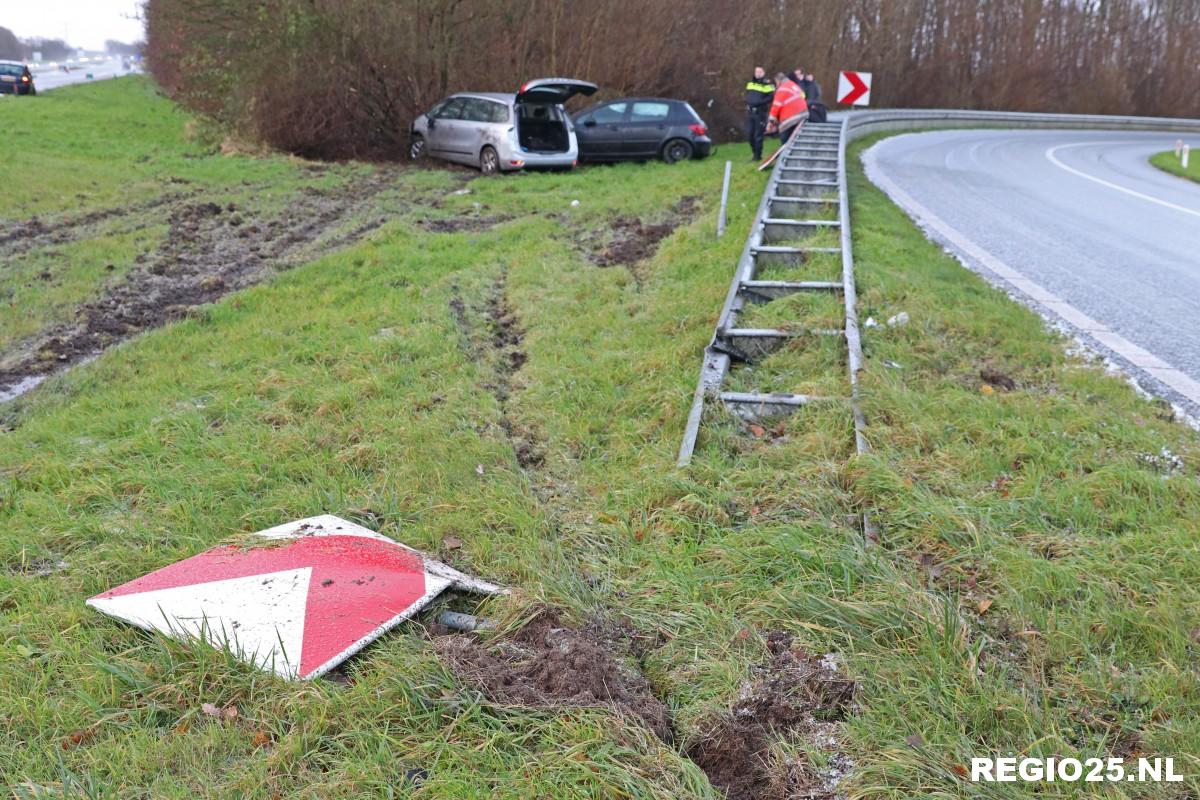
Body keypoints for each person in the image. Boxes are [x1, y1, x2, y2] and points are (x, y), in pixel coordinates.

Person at [765, 71, 808, 144]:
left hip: (791, 118)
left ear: (778, 81)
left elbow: (776, 106)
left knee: (785, 141)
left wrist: (770, 122)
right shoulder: (793, 85)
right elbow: (802, 96)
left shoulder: (782, 89)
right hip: (804, 114)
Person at [744, 67, 775, 161]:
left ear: (764, 72)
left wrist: (760, 102)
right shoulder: (750, 83)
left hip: (760, 113)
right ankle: (754, 153)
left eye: (760, 72)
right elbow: (747, 94)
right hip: (750, 112)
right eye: (756, 71)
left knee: (758, 135)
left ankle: (757, 156)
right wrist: (747, 101)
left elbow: (771, 97)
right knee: (750, 135)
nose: (758, 73)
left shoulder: (768, 84)